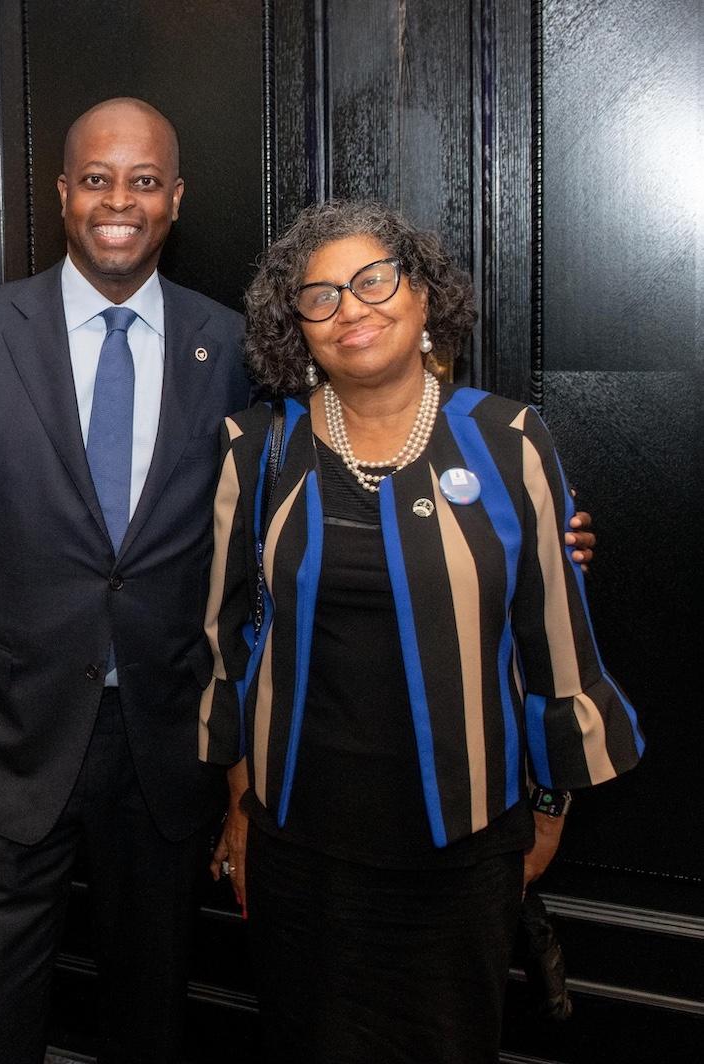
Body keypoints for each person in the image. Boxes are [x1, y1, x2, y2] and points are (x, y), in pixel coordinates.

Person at [201, 199, 643, 1063]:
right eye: (319, 296)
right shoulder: (255, 450)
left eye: (373, 280)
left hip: (464, 844)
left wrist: (547, 810)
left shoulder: (508, 441)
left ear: (421, 295)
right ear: (295, 329)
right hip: (298, 839)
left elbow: (553, 636)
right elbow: (232, 638)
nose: (351, 309)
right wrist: (238, 805)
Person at [0, 97, 251, 1064]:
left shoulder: (233, 348)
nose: (116, 201)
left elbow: (263, 551)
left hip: (166, 741)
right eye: (96, 179)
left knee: (151, 1006)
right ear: (61, 194)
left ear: (175, 197)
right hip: (7, 738)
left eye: (140, 181)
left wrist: (526, 519)